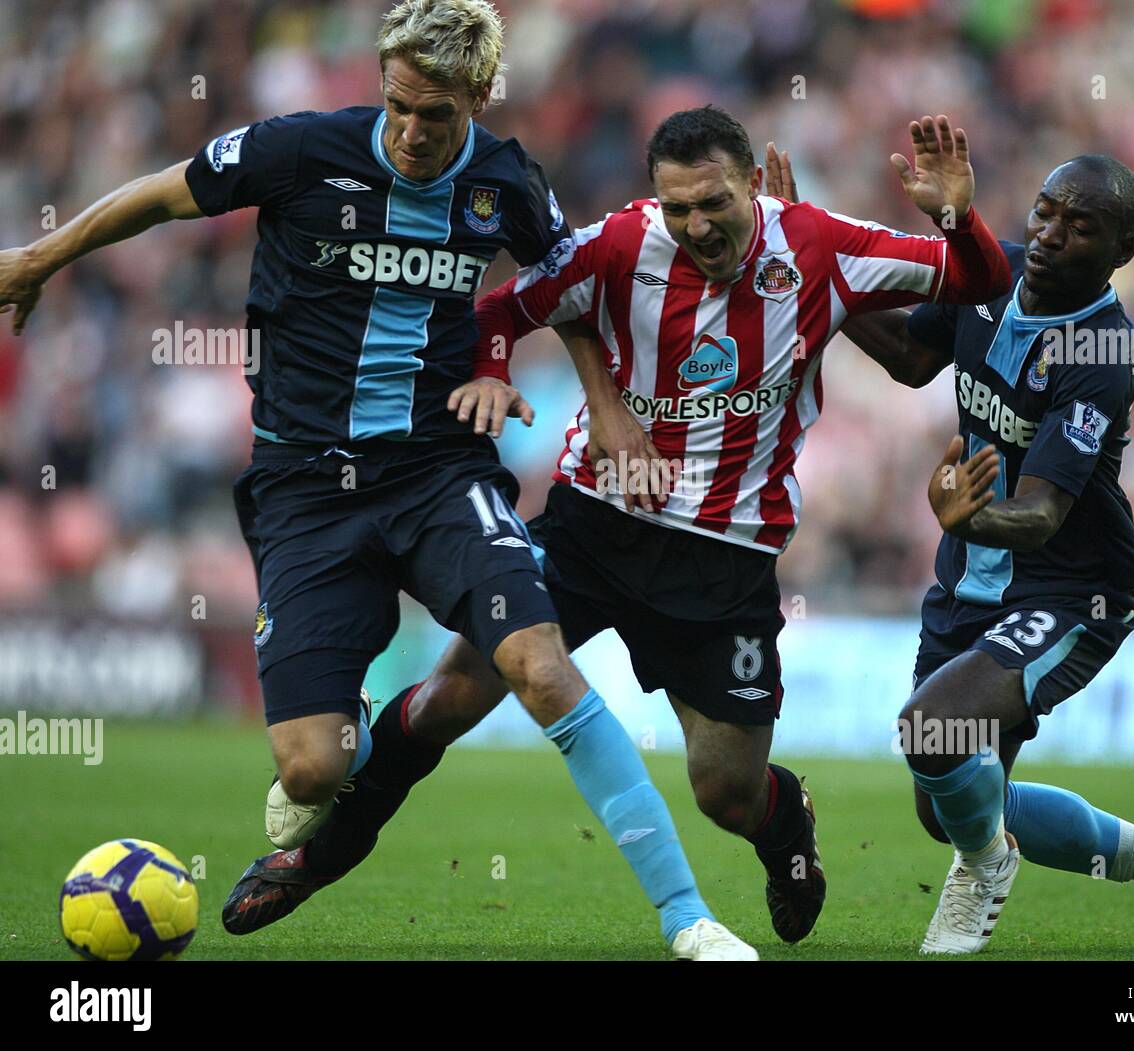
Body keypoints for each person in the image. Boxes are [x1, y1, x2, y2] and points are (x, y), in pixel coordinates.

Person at [0, 0, 755, 961]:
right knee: (314, 771)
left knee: (539, 663)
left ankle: (687, 917)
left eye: (435, 114)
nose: (409, 130)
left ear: (478, 98)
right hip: (304, 485)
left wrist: (582, 397)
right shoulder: (299, 149)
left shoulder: (504, 178)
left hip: (436, 470)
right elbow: (161, 194)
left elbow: (565, 283)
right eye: (396, 105)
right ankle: (343, 737)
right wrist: (39, 257)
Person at [266, 105, 1013, 946]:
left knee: (724, 790)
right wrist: (521, 382)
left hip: (723, 557)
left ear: (751, 189)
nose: (698, 224)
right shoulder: (619, 243)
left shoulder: (815, 242)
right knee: (448, 699)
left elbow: (979, 280)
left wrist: (955, 214)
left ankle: (784, 825)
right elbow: (499, 314)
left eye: (715, 203)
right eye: (679, 207)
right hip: (592, 526)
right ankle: (310, 860)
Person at [766, 150, 1134, 954]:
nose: (1053, 233)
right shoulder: (989, 274)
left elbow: (1042, 512)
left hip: (1073, 589)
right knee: (948, 797)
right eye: (1046, 210)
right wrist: (818, 275)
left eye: (1082, 225)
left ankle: (988, 867)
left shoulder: (1101, 352)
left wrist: (971, 516)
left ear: (1122, 253)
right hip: (972, 583)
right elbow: (912, 357)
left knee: (931, 731)